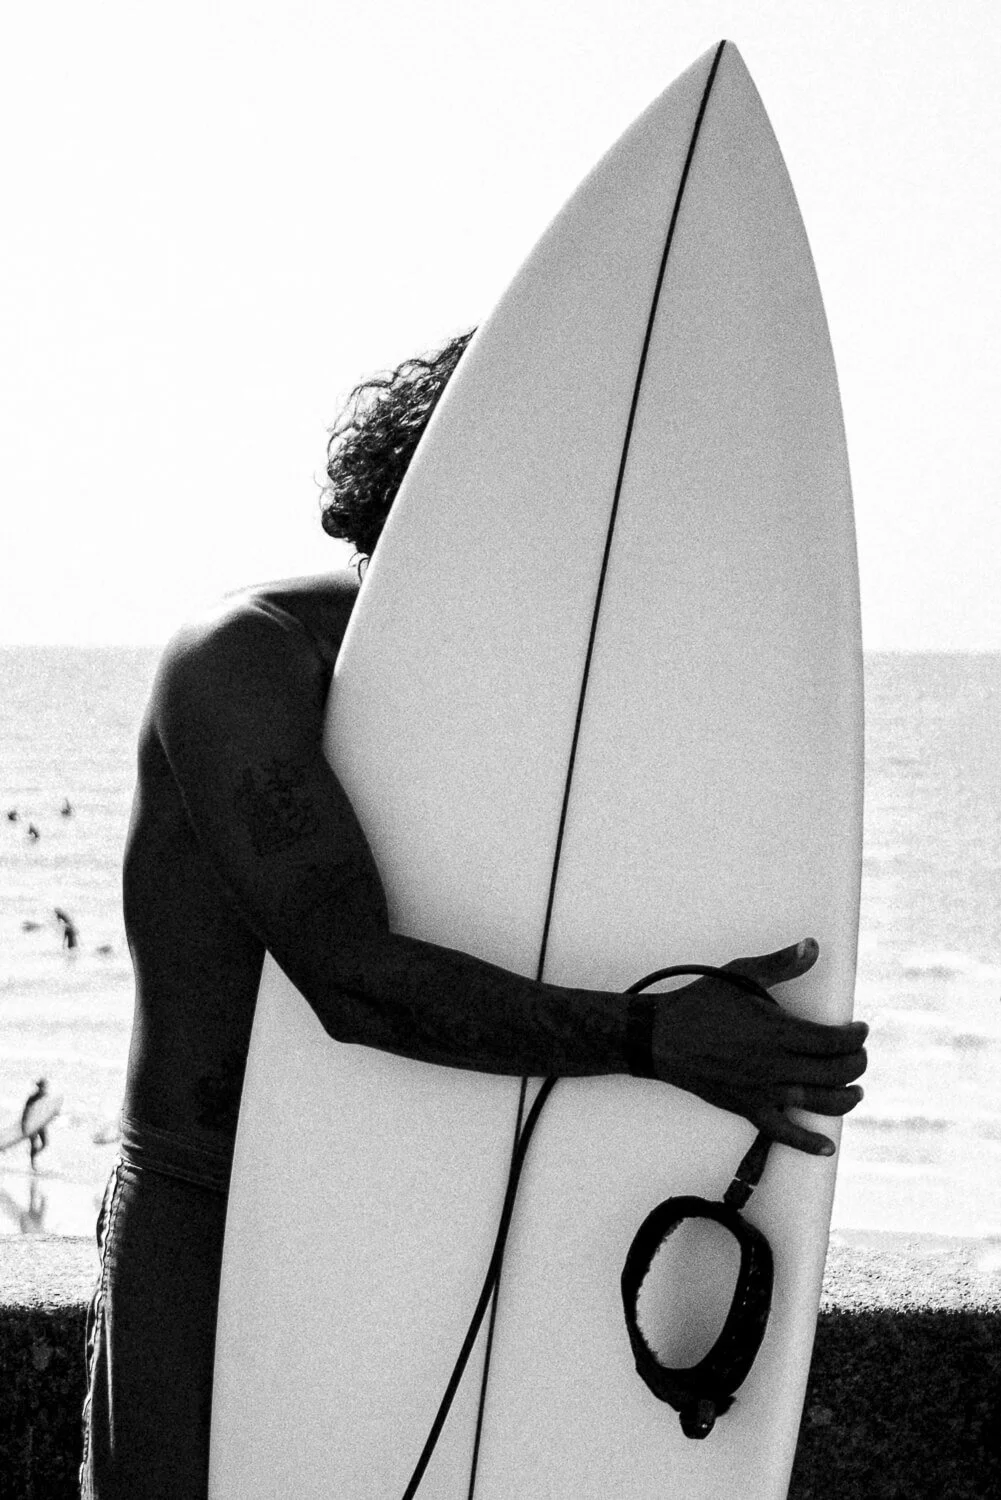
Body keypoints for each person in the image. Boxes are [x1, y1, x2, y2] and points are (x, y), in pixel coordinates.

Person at [79, 330, 868, 1499]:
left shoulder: (535, 706)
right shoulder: (248, 658)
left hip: (425, 1197)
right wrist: (654, 1042)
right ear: (430, 489)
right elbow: (347, 977)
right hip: (217, 1203)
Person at [21, 1077, 50, 1170]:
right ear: (38, 1087)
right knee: (33, 1144)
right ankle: (32, 1164)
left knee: (45, 1143)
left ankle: (33, 1154)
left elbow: (48, 1110)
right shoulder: (32, 1098)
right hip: (32, 1124)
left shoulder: (46, 1097)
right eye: (41, 1086)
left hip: (41, 1124)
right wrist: (24, 1124)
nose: (43, 1088)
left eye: (44, 1086)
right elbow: (25, 1111)